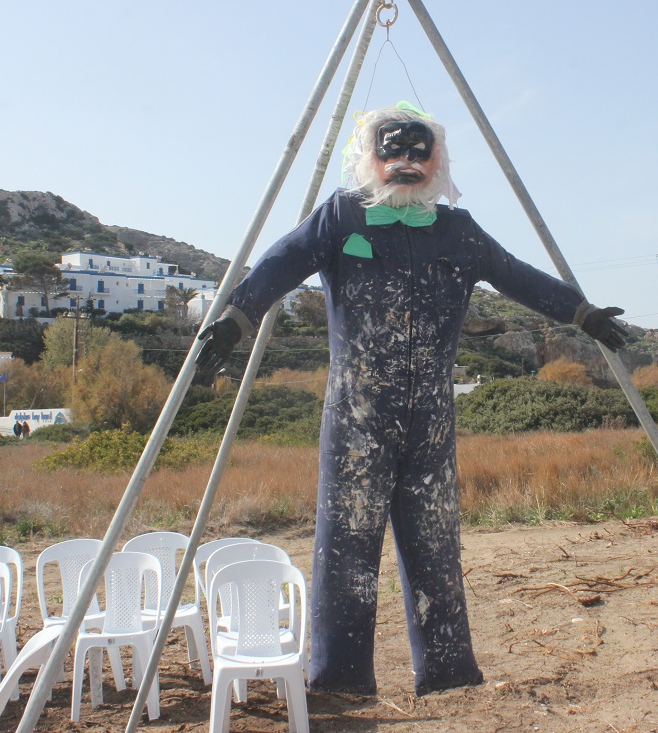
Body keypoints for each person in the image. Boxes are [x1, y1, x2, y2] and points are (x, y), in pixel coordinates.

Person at [197, 106, 628, 697]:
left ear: (437, 161)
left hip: (431, 421)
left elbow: (517, 276)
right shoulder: (341, 217)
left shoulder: (459, 232)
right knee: (346, 549)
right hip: (355, 420)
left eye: (419, 153)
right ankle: (339, 679)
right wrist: (233, 319)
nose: (406, 162)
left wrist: (583, 314)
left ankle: (449, 674)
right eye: (392, 150)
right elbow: (280, 263)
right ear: (368, 157)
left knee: (436, 546)